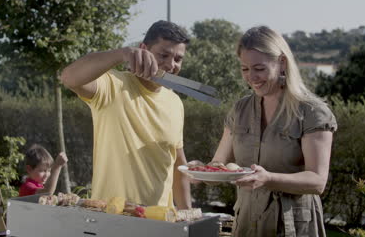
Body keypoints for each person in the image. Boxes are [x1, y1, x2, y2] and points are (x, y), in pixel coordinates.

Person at [209, 26, 337, 236]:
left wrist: (268, 178)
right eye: (245, 69)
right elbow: (220, 163)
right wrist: (201, 171)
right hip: (247, 222)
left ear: (282, 63)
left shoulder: (312, 112)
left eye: (259, 69)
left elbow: (317, 181)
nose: (251, 77)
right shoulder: (240, 110)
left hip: (294, 227)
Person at [60, 20, 192, 209]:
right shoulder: (113, 85)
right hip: (112, 218)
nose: (171, 65)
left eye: (178, 59)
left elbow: (178, 166)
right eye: (164, 55)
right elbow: (69, 77)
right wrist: (123, 54)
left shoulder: (175, 103)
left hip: (161, 221)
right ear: (143, 49)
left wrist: (189, 217)